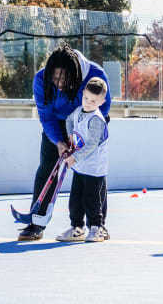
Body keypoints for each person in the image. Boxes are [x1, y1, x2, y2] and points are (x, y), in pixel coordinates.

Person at [18, 44, 111, 241]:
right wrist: (59, 141)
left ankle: (98, 225)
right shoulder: (41, 80)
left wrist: (81, 134)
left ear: (75, 73)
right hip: (59, 124)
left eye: (63, 78)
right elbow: (46, 115)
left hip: (89, 122)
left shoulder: (95, 74)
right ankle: (37, 222)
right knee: (47, 168)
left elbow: (104, 106)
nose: (58, 82)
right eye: (55, 77)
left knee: (92, 172)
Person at [56, 78, 109, 242]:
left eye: (93, 101)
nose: (88, 103)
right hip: (80, 167)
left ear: (102, 101)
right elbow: (69, 120)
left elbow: (92, 144)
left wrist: (74, 157)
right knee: (75, 200)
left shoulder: (96, 119)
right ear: (83, 95)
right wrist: (71, 135)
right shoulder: (79, 111)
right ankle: (77, 228)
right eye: (86, 98)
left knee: (91, 200)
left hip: (94, 169)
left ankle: (96, 228)